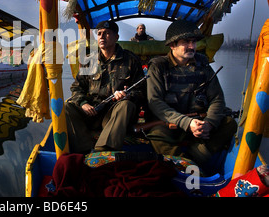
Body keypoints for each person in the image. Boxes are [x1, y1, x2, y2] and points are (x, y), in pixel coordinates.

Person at [146, 20, 237, 171]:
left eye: (193, 42)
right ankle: (183, 166)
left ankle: (194, 159)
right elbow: (155, 102)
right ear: (172, 45)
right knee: (156, 135)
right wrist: (186, 123)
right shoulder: (158, 67)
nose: (191, 46)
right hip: (170, 123)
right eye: (186, 42)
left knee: (229, 124)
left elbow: (217, 98)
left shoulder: (203, 66)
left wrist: (209, 123)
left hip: (199, 123)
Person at [65, 20, 146, 153]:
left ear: (116, 37)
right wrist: (83, 103)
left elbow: (142, 90)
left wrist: (127, 95)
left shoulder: (130, 60)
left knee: (126, 105)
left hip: (115, 115)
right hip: (93, 112)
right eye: (100, 33)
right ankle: (83, 149)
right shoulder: (89, 60)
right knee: (66, 107)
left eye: (107, 33)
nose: (102, 37)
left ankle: (103, 151)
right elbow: (77, 87)